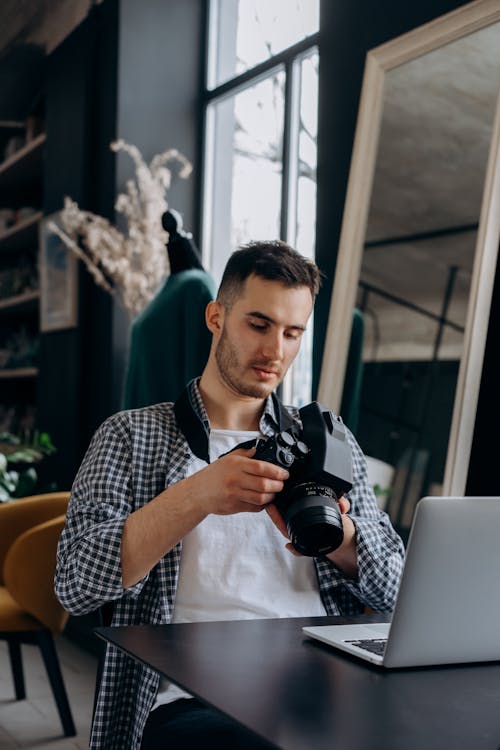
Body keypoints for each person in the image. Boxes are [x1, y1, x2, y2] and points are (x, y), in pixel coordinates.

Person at [55, 241, 405, 750]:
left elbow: (397, 591)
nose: (275, 351)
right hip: (191, 698)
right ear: (216, 316)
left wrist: (339, 536)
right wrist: (198, 494)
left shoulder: (326, 438)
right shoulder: (130, 436)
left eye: (292, 333)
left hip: (326, 682)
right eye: (258, 325)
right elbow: (75, 585)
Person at [122, 209, 216, 409]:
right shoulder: (167, 289)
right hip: (144, 426)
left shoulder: (196, 288)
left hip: (170, 429)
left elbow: (202, 367)